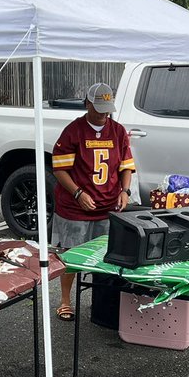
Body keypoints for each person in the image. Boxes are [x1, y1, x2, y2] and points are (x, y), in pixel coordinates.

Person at [50, 82, 135, 320]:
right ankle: (65, 301)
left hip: (107, 207)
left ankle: (101, 303)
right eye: (98, 109)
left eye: (106, 111)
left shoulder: (118, 131)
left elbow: (126, 166)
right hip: (75, 208)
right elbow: (60, 169)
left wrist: (125, 191)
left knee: (105, 256)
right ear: (87, 104)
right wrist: (78, 193)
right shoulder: (73, 131)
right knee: (71, 255)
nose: (102, 115)